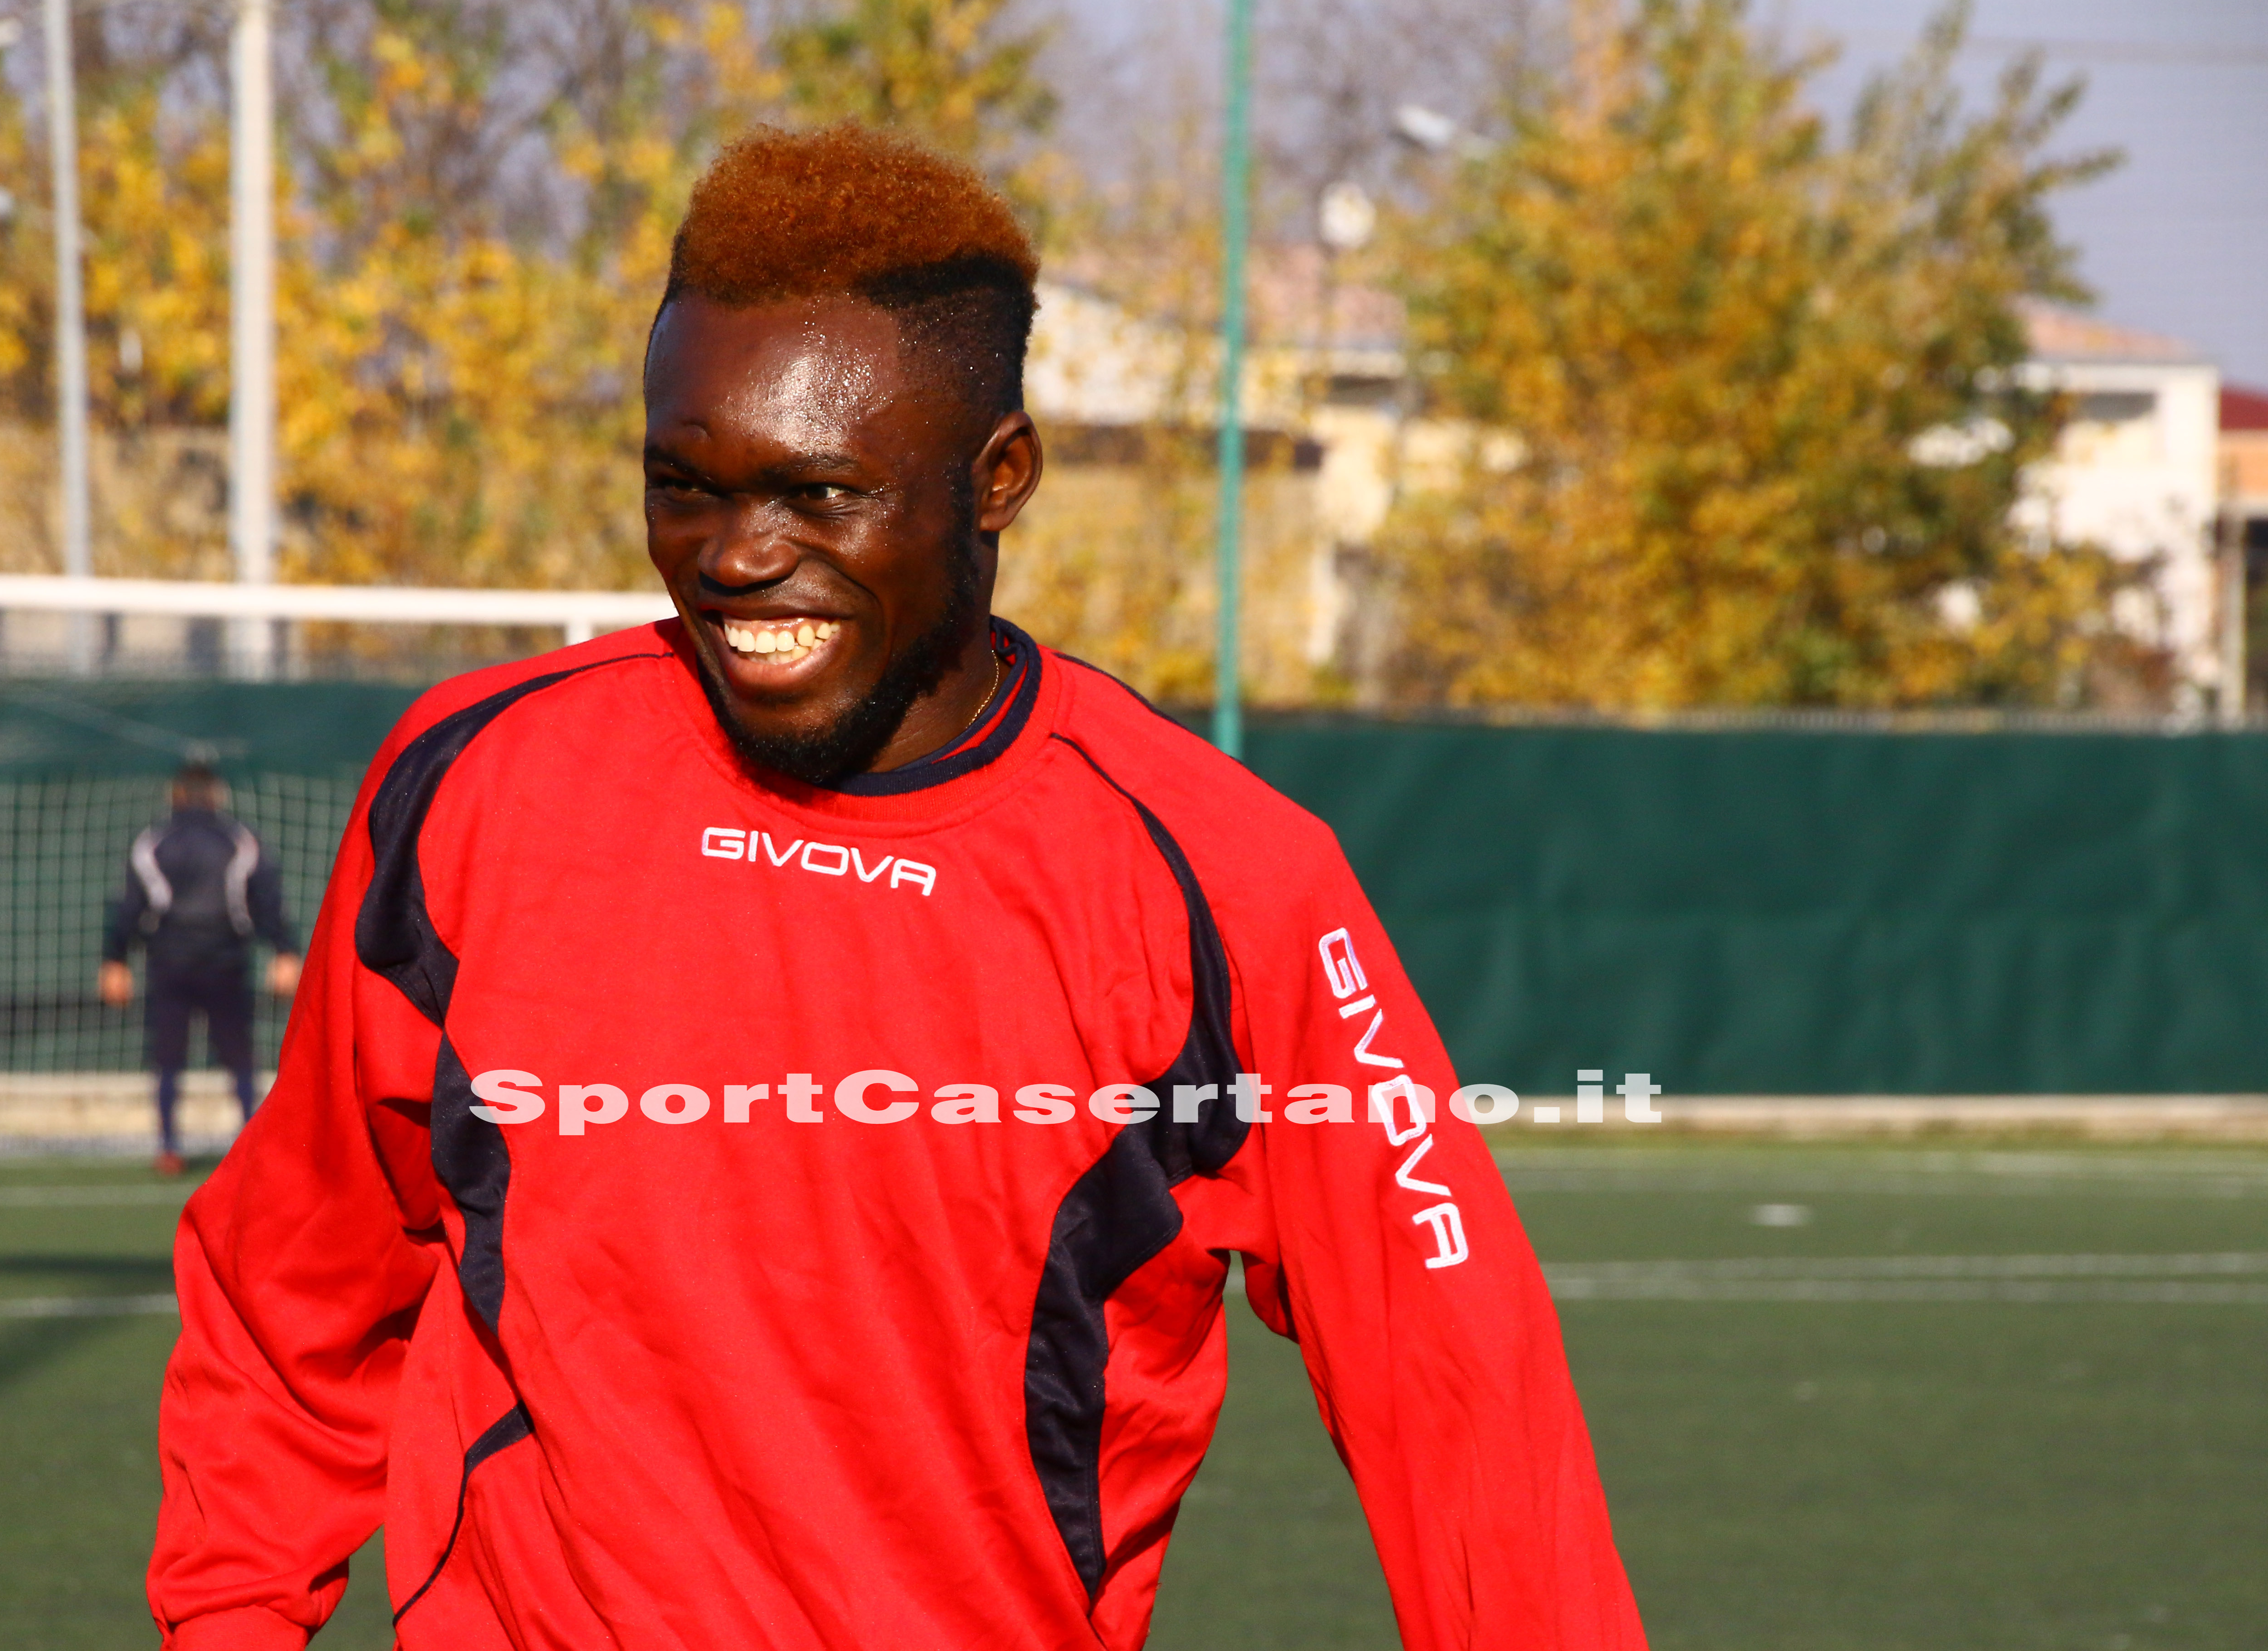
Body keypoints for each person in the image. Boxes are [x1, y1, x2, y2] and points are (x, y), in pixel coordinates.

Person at [148, 125, 1646, 1650]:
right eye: (686, 481)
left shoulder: (1230, 880)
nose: (737, 555)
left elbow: (1462, 1387)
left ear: (996, 479)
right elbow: (296, 1282)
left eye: (819, 491)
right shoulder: (478, 785)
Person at [101, 759, 301, 1175]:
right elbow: (267, 901)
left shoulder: (152, 842)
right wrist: (284, 950)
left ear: (174, 796)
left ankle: (169, 1147)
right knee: (240, 1057)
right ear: (217, 796)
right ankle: (250, 1141)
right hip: (226, 962)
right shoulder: (241, 840)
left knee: (167, 1058)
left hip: (169, 964)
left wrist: (115, 959)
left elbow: (130, 908)